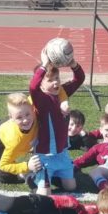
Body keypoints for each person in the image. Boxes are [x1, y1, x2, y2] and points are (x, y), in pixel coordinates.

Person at [29, 54, 85, 196]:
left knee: (71, 187)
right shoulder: (40, 99)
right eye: (50, 80)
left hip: (62, 153)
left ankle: (50, 176)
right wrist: (44, 65)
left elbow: (79, 79)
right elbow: (33, 87)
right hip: (45, 154)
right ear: (41, 83)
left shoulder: (62, 92)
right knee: (44, 194)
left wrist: (73, 64)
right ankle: (32, 177)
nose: (55, 83)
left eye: (57, 79)